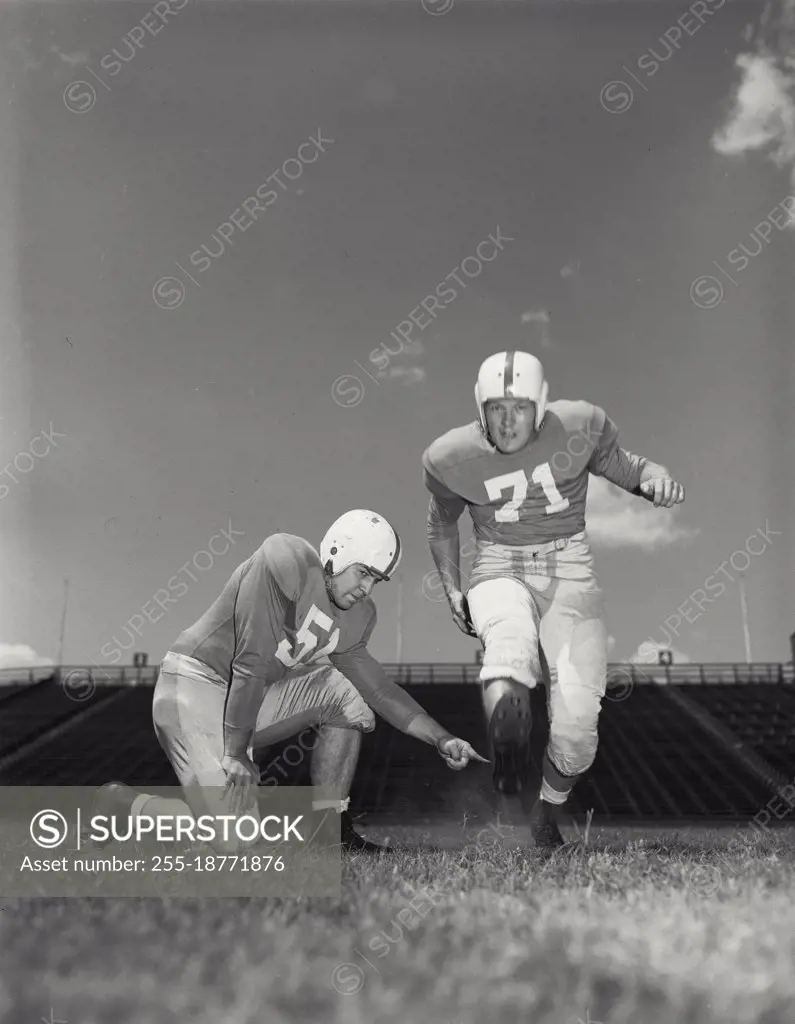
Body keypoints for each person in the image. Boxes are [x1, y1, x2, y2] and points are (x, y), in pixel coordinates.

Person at [94, 510, 487, 854]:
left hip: (248, 700)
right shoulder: (287, 560)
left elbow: (380, 690)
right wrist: (236, 753)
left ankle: (328, 829)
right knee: (232, 842)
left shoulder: (358, 616)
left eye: (377, 580)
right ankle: (125, 805)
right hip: (194, 681)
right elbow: (249, 660)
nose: (367, 589)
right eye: (364, 573)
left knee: (348, 695)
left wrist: (442, 738)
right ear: (337, 552)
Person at [421, 351, 685, 848]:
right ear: (480, 407)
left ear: (540, 406)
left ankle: (546, 812)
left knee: (578, 731)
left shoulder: (580, 423)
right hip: (499, 564)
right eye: (496, 407)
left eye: (518, 407)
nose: (506, 420)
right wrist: (452, 587)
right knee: (509, 651)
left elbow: (628, 467)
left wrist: (655, 479)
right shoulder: (451, 455)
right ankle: (506, 789)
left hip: (570, 569)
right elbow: (440, 524)